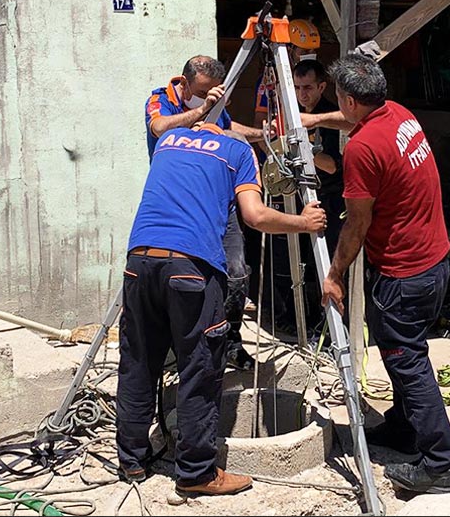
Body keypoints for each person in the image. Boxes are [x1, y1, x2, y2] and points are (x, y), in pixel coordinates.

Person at [117, 123, 326, 496]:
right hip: (190, 269)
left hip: (139, 262)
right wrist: (304, 222)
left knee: (138, 362)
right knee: (200, 367)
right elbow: (255, 216)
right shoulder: (240, 153)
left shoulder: (168, 141)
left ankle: (131, 460)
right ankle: (196, 473)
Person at [321, 53, 450, 495]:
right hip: (434, 263)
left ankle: (439, 464)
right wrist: (310, 118)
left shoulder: (362, 149)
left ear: (349, 101)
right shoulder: (397, 115)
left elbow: (356, 223)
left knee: (408, 363)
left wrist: (335, 272)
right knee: (407, 357)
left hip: (404, 275)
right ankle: (403, 429)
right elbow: (354, 122)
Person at [144, 56, 258, 371]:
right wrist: (201, 111)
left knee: (236, 273)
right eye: (202, 91)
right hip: (179, 205)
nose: (207, 96)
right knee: (183, 279)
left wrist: (263, 134)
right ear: (186, 82)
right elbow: (159, 128)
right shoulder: (161, 99)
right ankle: (178, 348)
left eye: (212, 93)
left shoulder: (212, 105)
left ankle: (230, 342)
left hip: (220, 202)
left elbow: (229, 128)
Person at [264, 58, 346, 341]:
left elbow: (334, 165)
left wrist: (304, 148)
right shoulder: (290, 113)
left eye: (308, 87)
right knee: (291, 262)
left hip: (330, 199)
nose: (302, 94)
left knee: (323, 263)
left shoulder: (331, 117)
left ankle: (329, 327)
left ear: (322, 86)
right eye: (297, 88)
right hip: (297, 199)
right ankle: (296, 319)